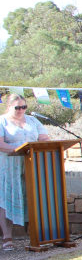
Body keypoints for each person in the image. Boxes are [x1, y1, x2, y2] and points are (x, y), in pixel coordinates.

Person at [0, 94, 50, 251]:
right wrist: (18, 149)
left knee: (33, 197)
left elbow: (44, 138)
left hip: (31, 163)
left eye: (24, 107)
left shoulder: (33, 120)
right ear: (9, 107)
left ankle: (35, 235)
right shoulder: (2, 121)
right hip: (9, 165)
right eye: (17, 107)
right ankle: (7, 237)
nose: (21, 110)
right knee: (6, 199)